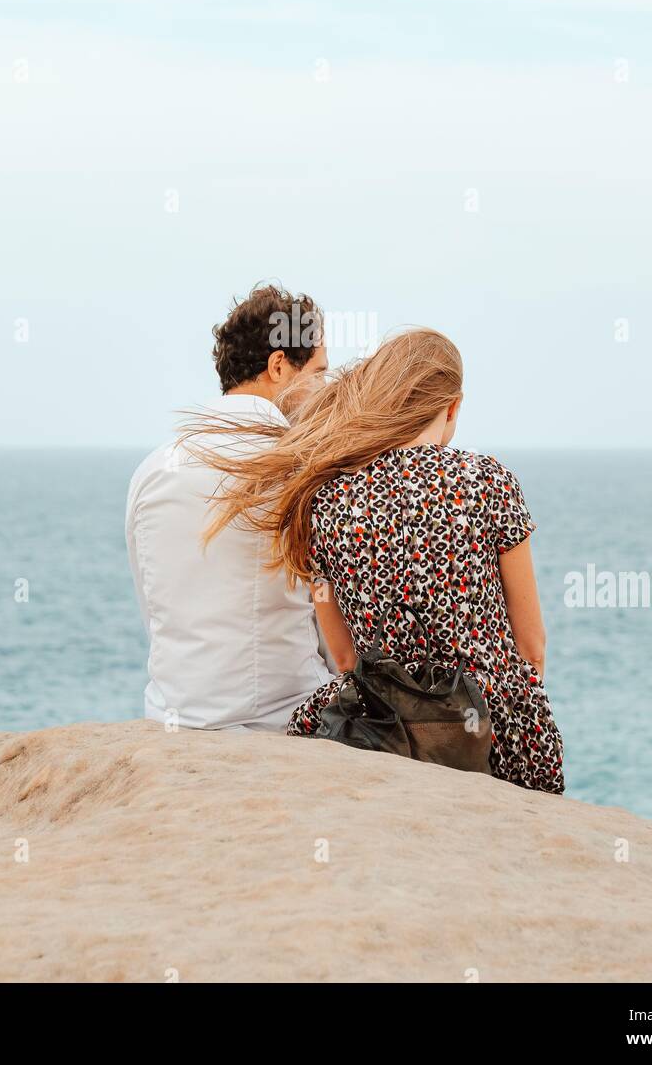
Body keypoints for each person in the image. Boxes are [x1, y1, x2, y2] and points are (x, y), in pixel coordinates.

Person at [190, 328, 565, 792]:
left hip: (380, 725)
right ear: (453, 406)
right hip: (485, 724)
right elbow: (532, 648)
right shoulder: (489, 481)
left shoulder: (326, 497)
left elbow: (345, 657)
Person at [126, 284, 333, 731]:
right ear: (279, 366)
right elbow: (329, 621)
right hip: (285, 718)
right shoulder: (301, 469)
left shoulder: (154, 467)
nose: (324, 391)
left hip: (173, 717)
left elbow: (154, 608)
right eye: (318, 374)